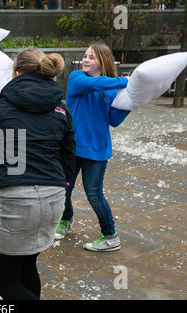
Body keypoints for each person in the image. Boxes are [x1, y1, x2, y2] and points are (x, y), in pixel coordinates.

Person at [0, 48, 75, 300]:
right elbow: (68, 154)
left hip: (16, 194)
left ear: (16, 72)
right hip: (54, 194)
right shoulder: (61, 108)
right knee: (26, 266)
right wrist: (65, 185)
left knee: (4, 280)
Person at [55, 43, 131, 252]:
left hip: (97, 150)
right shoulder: (77, 78)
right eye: (85, 56)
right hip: (72, 148)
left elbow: (114, 120)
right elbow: (95, 84)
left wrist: (131, 102)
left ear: (103, 62)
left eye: (92, 57)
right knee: (63, 189)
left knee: (94, 194)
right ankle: (65, 220)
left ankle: (110, 236)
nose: (86, 60)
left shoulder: (111, 91)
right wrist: (124, 81)